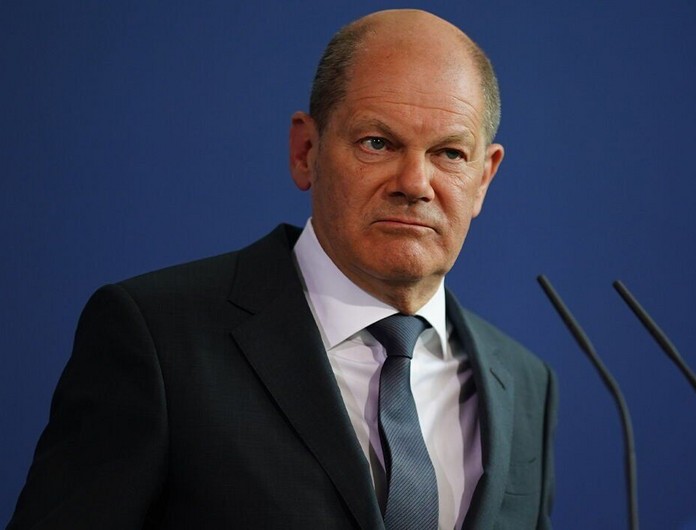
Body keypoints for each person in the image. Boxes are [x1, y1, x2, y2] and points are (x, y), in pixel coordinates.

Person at [8, 9, 557, 530]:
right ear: (306, 150)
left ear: (484, 177)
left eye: (450, 154)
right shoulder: (158, 339)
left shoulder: (526, 384)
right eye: (377, 143)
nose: (414, 183)